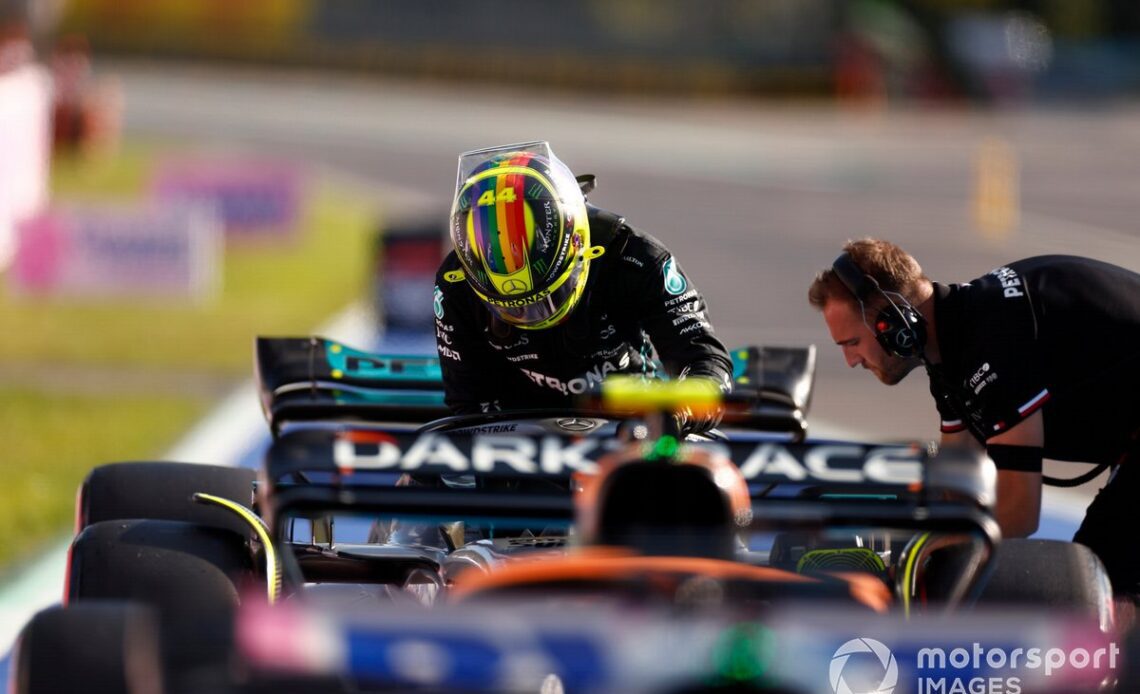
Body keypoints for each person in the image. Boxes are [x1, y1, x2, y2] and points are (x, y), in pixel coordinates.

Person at [807, 238, 1140, 598]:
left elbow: (1018, 513)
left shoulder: (993, 344)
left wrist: (919, 552)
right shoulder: (952, 347)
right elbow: (957, 486)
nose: (850, 361)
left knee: (1101, 588)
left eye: (851, 343)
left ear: (892, 323)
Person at [434, 141, 732, 434]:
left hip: (632, 430)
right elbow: (467, 404)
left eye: (546, 299)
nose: (531, 316)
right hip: (519, 435)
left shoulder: (636, 258)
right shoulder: (455, 282)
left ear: (578, 245)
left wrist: (679, 412)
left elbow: (704, 358)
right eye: (512, 307)